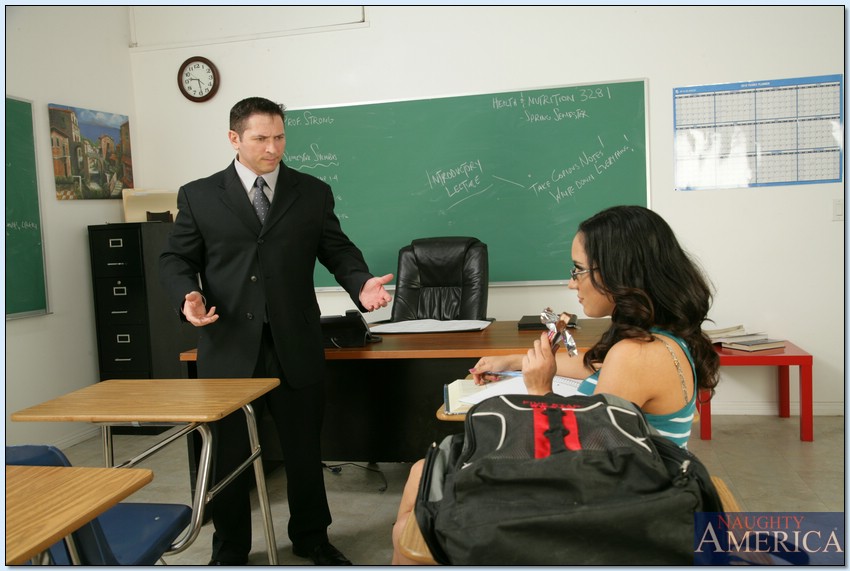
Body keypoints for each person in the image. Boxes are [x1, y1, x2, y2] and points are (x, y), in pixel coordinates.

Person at [390, 204, 719, 564]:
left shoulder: (636, 354)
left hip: (615, 503)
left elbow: (585, 458)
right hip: (638, 480)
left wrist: (540, 393)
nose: (570, 282)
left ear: (619, 271)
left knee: (420, 497)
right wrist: (514, 362)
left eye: (578, 270)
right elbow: (590, 365)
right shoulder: (659, 338)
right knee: (424, 474)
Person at [160, 96, 392, 566]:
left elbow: (337, 250)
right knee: (227, 455)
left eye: (279, 136)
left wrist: (360, 282)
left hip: (296, 343)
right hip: (228, 347)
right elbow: (176, 259)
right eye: (261, 138)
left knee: (305, 449)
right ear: (234, 138)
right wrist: (187, 294)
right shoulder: (199, 195)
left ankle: (311, 538)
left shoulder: (311, 191)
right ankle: (230, 548)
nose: (273, 148)